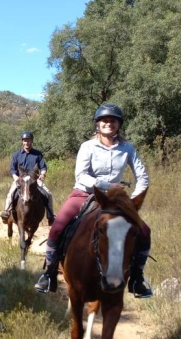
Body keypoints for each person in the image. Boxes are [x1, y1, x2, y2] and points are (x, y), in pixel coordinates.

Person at [34, 103, 153, 298]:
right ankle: (49, 274)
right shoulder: (87, 147)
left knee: (144, 231)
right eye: (104, 120)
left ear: (119, 124)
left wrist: (131, 202)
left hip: (116, 200)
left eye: (113, 121)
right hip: (83, 193)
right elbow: (81, 176)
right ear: (98, 124)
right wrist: (107, 185)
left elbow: (143, 177)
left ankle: (137, 278)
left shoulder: (127, 149)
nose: (109, 123)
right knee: (57, 227)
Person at [0, 131, 55, 226]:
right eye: (25, 141)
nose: (26, 143)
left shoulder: (38, 154)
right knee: (11, 194)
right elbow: (12, 169)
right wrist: (15, 177)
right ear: (22, 142)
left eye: (28, 140)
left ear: (31, 141)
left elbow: (43, 167)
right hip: (21, 180)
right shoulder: (16, 155)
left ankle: (50, 216)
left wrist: (42, 174)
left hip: (34, 180)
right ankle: (7, 212)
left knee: (48, 194)